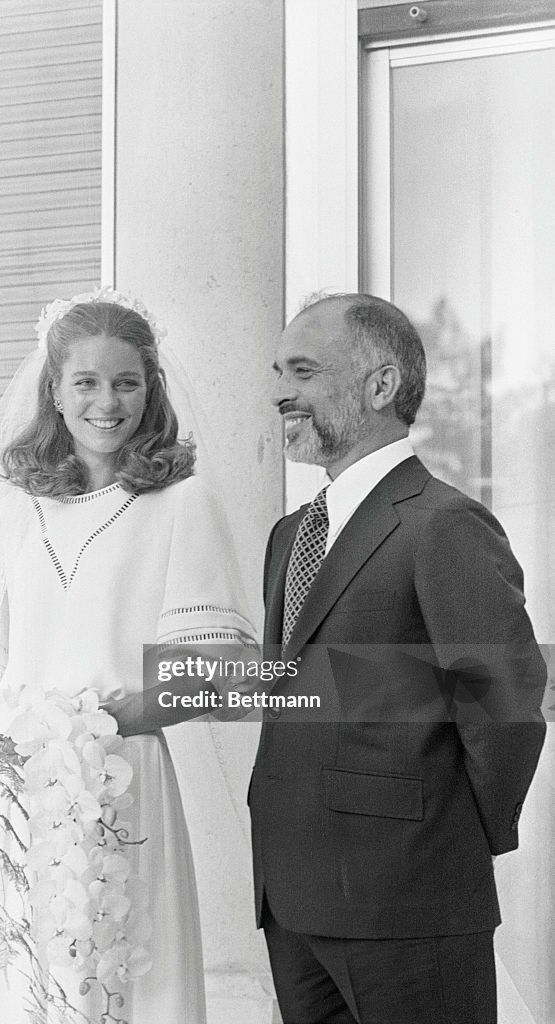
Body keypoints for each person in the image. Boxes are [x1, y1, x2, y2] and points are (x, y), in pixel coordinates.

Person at [0, 289, 256, 1024]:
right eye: (86, 381)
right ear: (54, 390)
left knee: (125, 976)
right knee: (17, 977)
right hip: (19, 784)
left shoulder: (182, 504)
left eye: (127, 382)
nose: (107, 402)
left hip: (123, 775)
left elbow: (226, 670)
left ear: (151, 390)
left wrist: (130, 715)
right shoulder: (19, 503)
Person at [248, 293, 547, 1024]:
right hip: (292, 898)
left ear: (379, 386)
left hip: (409, 896)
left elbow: (504, 705)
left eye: (304, 370)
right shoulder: (291, 534)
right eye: (279, 370)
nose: (280, 390)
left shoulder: (443, 523)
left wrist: (447, 839)